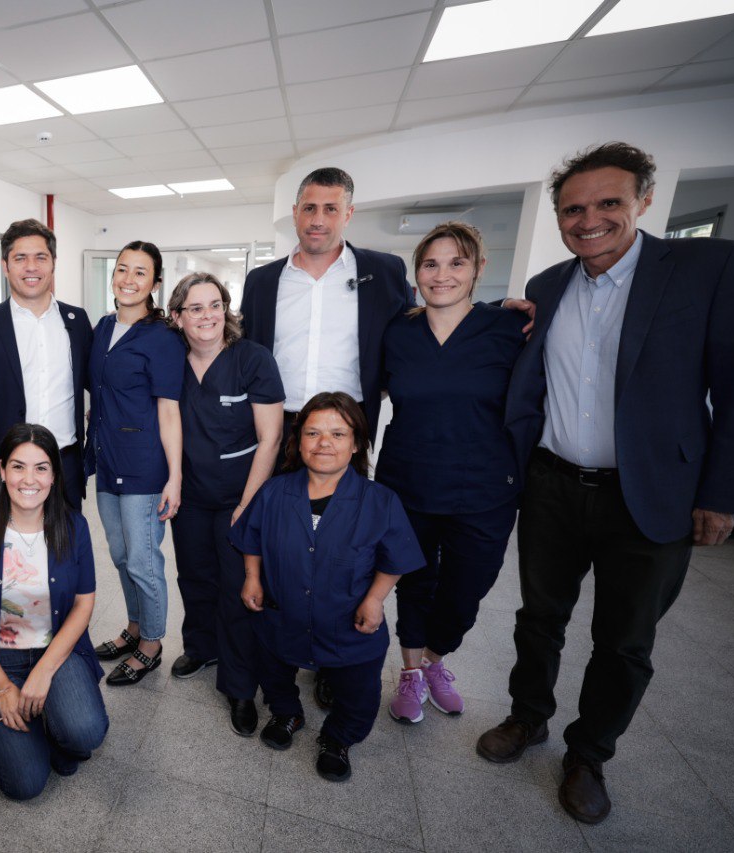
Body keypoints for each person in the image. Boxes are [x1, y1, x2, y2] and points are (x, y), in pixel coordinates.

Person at [478, 142, 734, 825]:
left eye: (608, 203)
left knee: (624, 640)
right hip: (553, 485)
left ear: (643, 200)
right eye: (574, 208)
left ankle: (589, 753)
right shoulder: (547, 286)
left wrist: (722, 491)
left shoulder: (707, 268)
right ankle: (528, 716)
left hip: (650, 494)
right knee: (539, 619)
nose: (589, 219)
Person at [375, 222, 527, 724]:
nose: (442, 275)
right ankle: (412, 672)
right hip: (409, 481)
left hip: (484, 487)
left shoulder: (509, 330)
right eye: (430, 264)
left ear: (479, 268)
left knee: (467, 590)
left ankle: (437, 659)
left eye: (456, 262)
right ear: (417, 272)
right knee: (413, 582)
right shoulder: (398, 332)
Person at [230, 393, 424, 782]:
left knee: (357, 694)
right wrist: (252, 576)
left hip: (347, 625)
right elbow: (250, 537)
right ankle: (287, 713)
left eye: (338, 433)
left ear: (355, 444)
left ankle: (337, 737)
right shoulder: (273, 493)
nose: (324, 443)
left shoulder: (380, 501)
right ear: (298, 441)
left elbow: (395, 559)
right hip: (281, 614)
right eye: (313, 433)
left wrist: (374, 599)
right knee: (274, 670)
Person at [0, 424, 108, 801]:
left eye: (41, 468)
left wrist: (45, 672)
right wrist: (3, 687)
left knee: (84, 732)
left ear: (55, 475)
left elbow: (84, 604)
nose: (29, 479)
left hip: (56, 653)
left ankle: (52, 719)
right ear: (2, 471)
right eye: (18, 467)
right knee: (25, 784)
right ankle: (25, 718)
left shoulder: (74, 526)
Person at [165, 272, 284, 734]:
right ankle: (200, 646)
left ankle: (239, 686)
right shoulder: (171, 360)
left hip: (240, 493)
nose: (207, 316)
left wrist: (249, 503)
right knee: (194, 575)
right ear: (177, 317)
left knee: (238, 587)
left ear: (227, 309)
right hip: (191, 493)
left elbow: (270, 438)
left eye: (215, 305)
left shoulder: (252, 359)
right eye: (195, 308)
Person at [239, 167, 414, 445]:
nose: (317, 220)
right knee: (272, 491)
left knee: (345, 491)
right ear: (296, 212)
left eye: (330, 209)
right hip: (276, 426)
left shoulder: (384, 272)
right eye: (310, 208)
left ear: (348, 214)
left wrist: (500, 307)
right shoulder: (261, 281)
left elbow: (418, 327)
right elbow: (243, 347)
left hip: (347, 424)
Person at [0, 219, 93, 523]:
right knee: (1, 560)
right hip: (3, 467)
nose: (31, 267)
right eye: (20, 258)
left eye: (40, 257)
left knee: (64, 558)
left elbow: (101, 384)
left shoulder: (77, 322)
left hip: (64, 467)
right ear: (5, 266)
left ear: (53, 263)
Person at [86, 241, 186, 686]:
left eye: (140, 272)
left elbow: (169, 411)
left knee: (144, 561)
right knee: (122, 554)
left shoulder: (162, 339)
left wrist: (175, 478)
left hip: (144, 466)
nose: (128, 279)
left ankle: (152, 644)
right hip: (107, 460)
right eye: (122, 269)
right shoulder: (103, 327)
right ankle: (132, 628)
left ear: (155, 283)